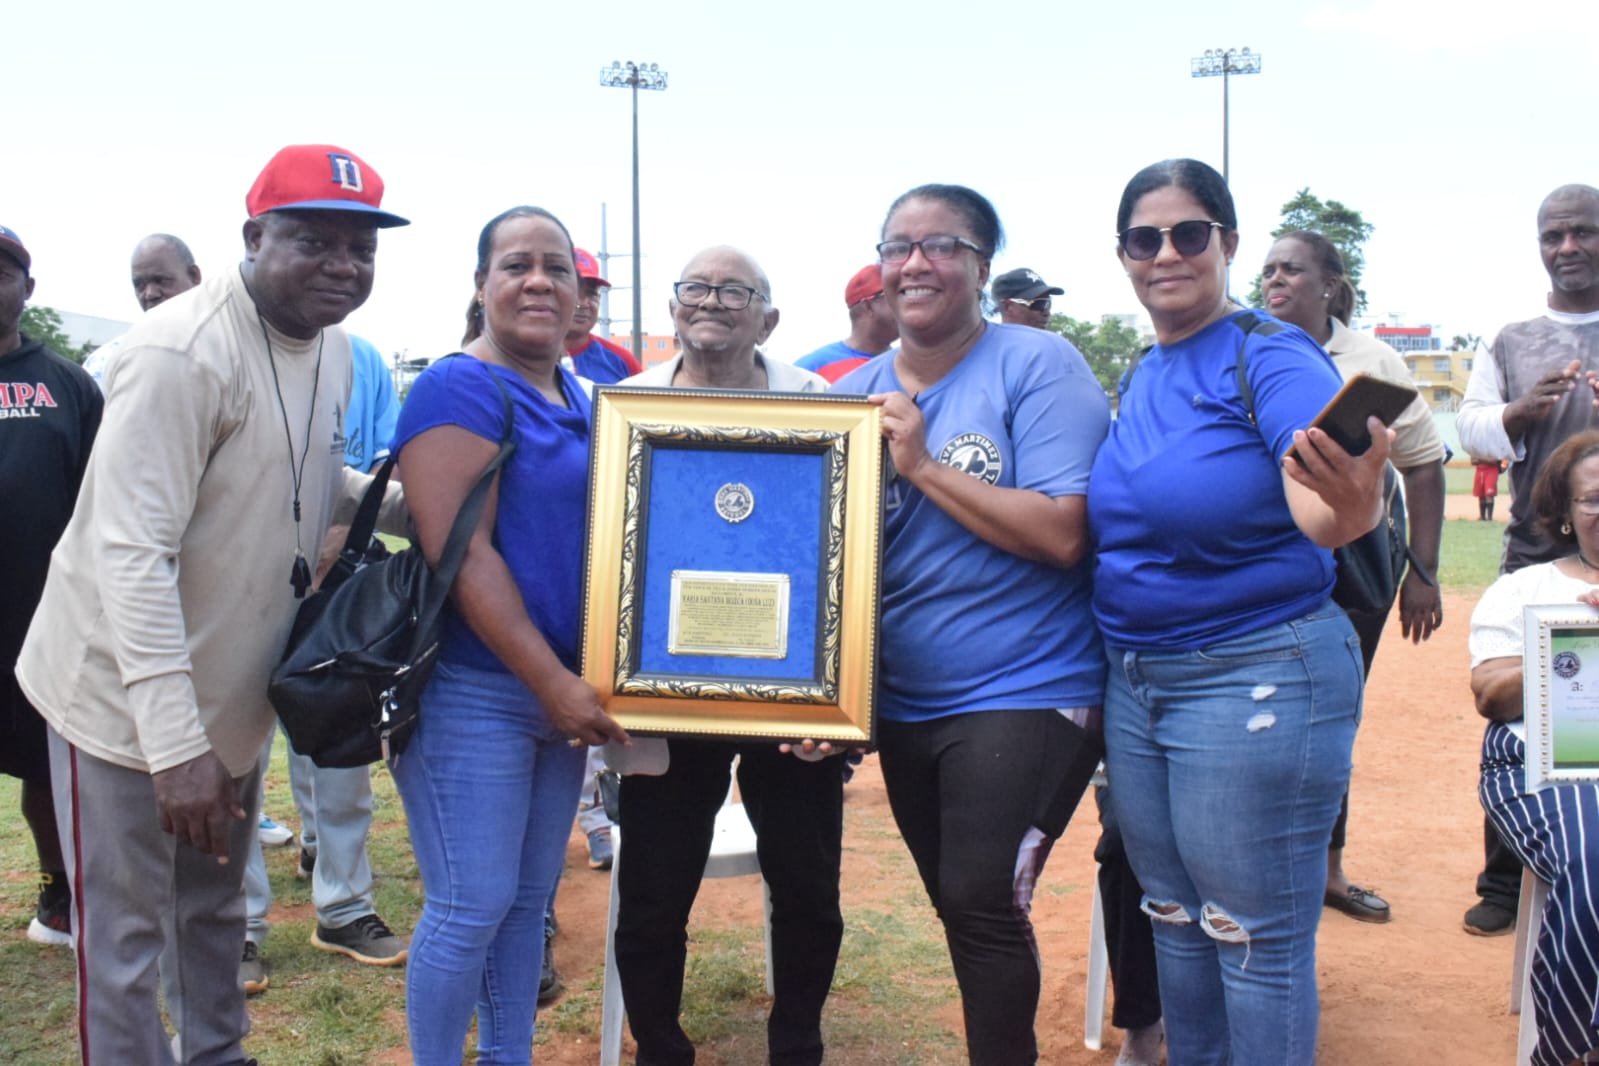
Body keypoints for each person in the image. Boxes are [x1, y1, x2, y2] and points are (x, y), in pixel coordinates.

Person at [15, 142, 410, 1065]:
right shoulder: (177, 353)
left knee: (212, 913)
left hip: (227, 695)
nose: (343, 266)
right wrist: (175, 747)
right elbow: (130, 552)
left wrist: (419, 506)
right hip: (121, 702)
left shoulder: (333, 348)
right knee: (124, 942)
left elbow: (306, 477)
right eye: (314, 241)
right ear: (253, 236)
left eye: (361, 248)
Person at [1089, 158, 1388, 1065]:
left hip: (1254, 675)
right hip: (1139, 683)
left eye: (1188, 233)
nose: (1166, 253)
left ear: (1225, 242)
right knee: (1176, 919)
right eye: (1144, 239)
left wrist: (1349, 503)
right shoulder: (1146, 369)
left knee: (1251, 937)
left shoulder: (1270, 353)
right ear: (1122, 254)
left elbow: (1321, 499)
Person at [834, 185, 1108, 1066]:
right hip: (905, 699)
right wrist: (813, 689)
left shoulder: (1036, 364)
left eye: (941, 245)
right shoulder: (851, 396)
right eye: (898, 246)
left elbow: (1063, 533)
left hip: (1027, 684)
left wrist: (919, 464)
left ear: (982, 267)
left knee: (980, 896)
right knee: (960, 904)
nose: (915, 263)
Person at [391, 205, 628, 1065]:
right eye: (517, 265)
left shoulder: (586, 397)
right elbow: (462, 553)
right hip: (477, 690)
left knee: (526, 905)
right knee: (469, 906)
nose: (539, 282)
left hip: (557, 696)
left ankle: (507, 1056)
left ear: (579, 293)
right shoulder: (457, 387)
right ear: (481, 284)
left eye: (557, 268)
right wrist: (552, 684)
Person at [612, 246, 845, 1066]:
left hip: (793, 690)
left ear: (767, 319)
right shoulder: (631, 405)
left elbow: (843, 548)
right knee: (652, 890)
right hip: (663, 689)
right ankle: (659, 1047)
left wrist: (839, 686)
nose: (710, 301)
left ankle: (797, 1042)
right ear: (674, 307)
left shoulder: (818, 405)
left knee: (808, 886)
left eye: (733, 291)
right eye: (696, 288)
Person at [1261, 229, 1448, 923]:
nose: (1275, 280)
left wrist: (1422, 571)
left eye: (1292, 269)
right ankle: (1259, 866)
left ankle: (1328, 871)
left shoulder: (1373, 363)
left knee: (1328, 719)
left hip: (1353, 568)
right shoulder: (1244, 349)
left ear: (1330, 286)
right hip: (1265, 567)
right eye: (1268, 270)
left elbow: (1423, 465)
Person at [240, 331, 408, 996]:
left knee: (340, 758)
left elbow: (359, 473)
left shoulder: (349, 354)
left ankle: (343, 909)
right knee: (235, 772)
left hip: (325, 597)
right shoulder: (224, 355)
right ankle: (239, 925)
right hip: (231, 603)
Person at [1457, 182, 1599, 937]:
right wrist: (1518, 412)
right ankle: (1506, 879)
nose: (1566, 247)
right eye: (1553, 235)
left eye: (1582, 232)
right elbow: (1471, 428)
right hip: (1537, 554)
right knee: (1524, 707)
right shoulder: (1512, 340)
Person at [1468, 429, 1599, 1066]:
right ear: (1566, 515)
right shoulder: (1525, 588)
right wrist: (1578, 636)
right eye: (1593, 499)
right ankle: (1572, 1047)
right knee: (1594, 855)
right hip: (1544, 766)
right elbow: (1491, 696)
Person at [0, 224, 102, 948]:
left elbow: (104, 501)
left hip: (42, 617)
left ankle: (59, 890)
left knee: (47, 765)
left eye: (2, 272)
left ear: (27, 288)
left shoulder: (67, 384)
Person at [83, 233, 205, 388]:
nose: (150, 294)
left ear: (194, 276)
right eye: (139, 284)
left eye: (161, 280)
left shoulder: (227, 352)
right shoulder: (105, 362)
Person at [795, 263, 899, 382]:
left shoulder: (910, 367)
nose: (907, 305)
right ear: (868, 306)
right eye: (896, 296)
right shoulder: (811, 369)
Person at [562, 247, 642, 384]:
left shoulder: (622, 362)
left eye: (591, 294)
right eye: (574, 292)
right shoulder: (527, 359)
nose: (583, 303)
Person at [991, 267, 1063, 329]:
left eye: (1048, 303)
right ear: (1008, 307)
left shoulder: (1049, 341)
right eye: (1039, 304)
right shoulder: (989, 340)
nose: (1047, 313)